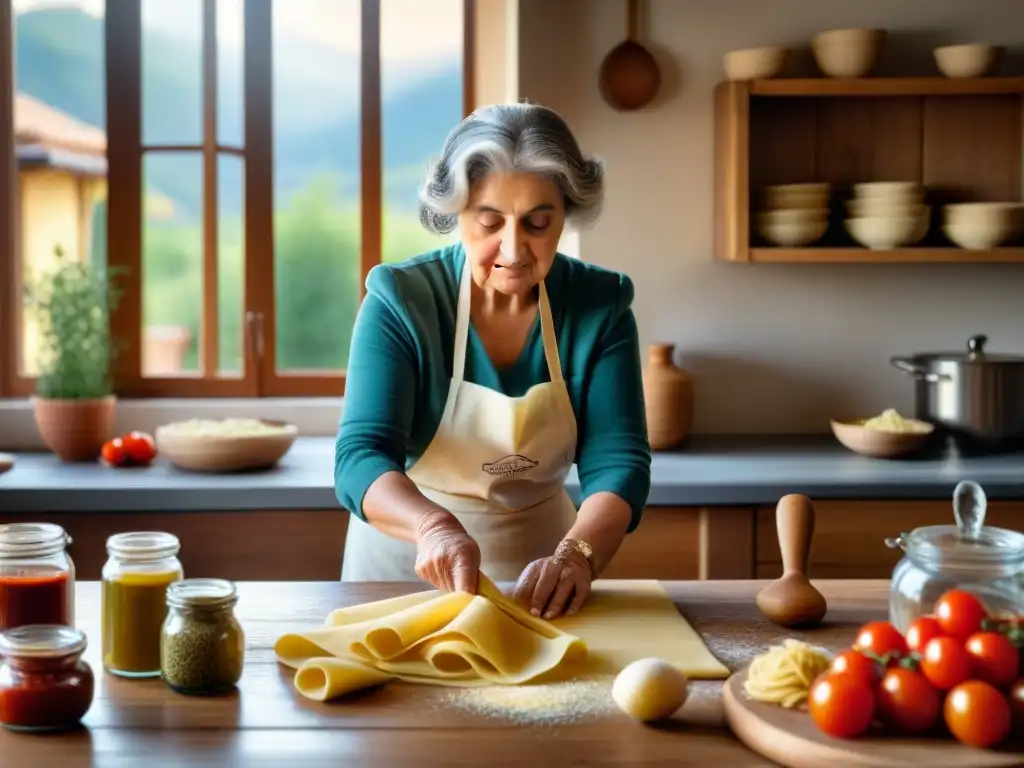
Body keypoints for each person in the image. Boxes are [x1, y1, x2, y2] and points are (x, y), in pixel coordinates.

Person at [334, 102, 651, 620]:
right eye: (489, 223)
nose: (513, 248)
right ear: (456, 214)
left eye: (537, 223)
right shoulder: (402, 298)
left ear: (564, 216)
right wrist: (432, 528)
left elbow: (619, 462)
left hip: (545, 577)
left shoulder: (600, 304)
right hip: (398, 571)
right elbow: (360, 457)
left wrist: (579, 556)